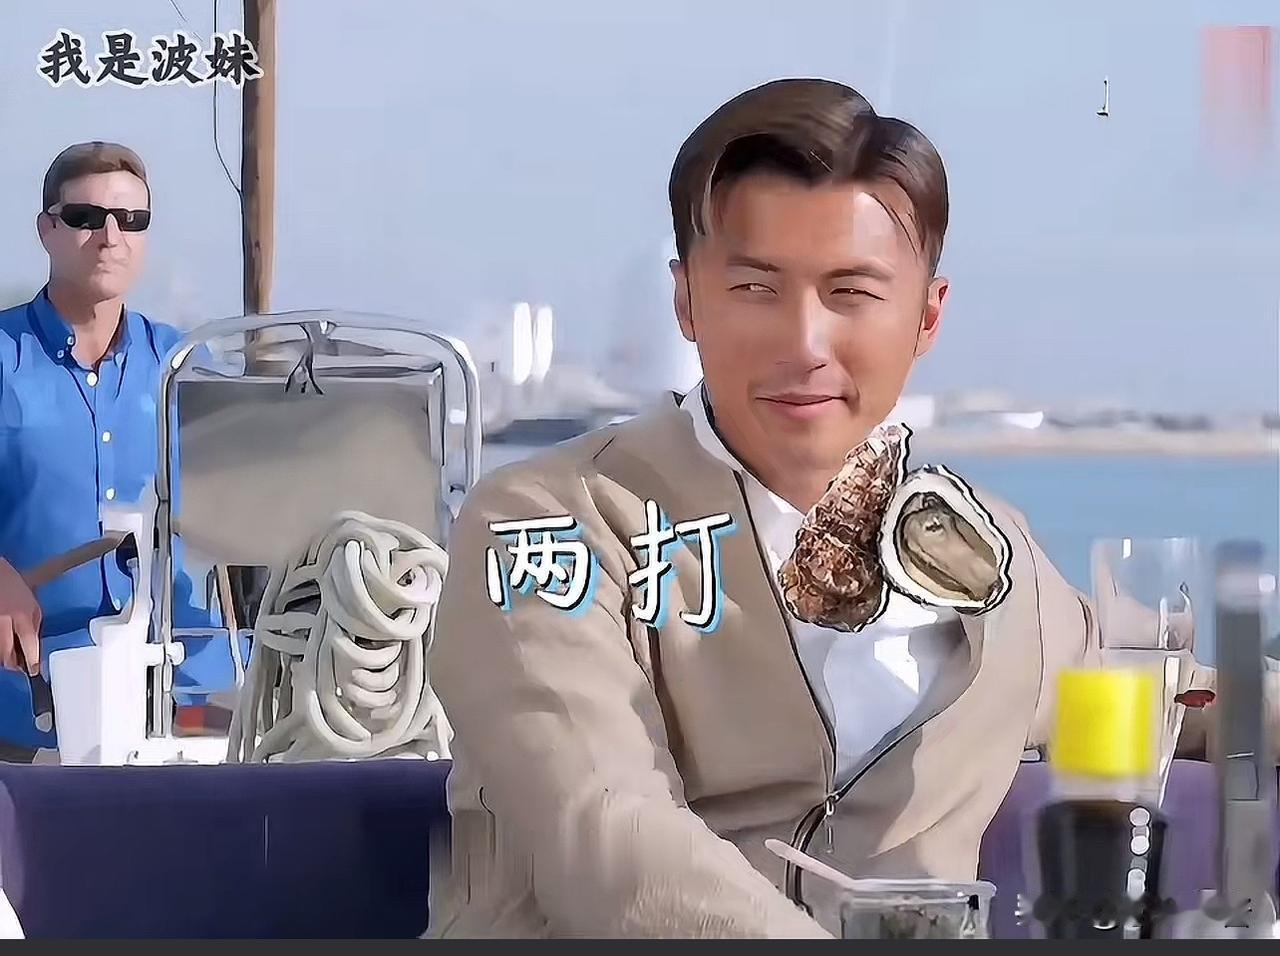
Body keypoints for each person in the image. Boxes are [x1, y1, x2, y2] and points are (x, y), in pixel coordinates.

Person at [427, 79, 1261, 938]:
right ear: (687, 300)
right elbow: (610, 842)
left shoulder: (996, 567)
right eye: (756, 289)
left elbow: (1180, 696)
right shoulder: (547, 526)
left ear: (927, 316)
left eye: (851, 293)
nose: (804, 344)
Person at [0, 142, 210, 755]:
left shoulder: (188, 368)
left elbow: (259, 502)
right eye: (85, 217)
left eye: (130, 219)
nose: (110, 237)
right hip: (23, 705)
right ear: (46, 230)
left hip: (181, 699)